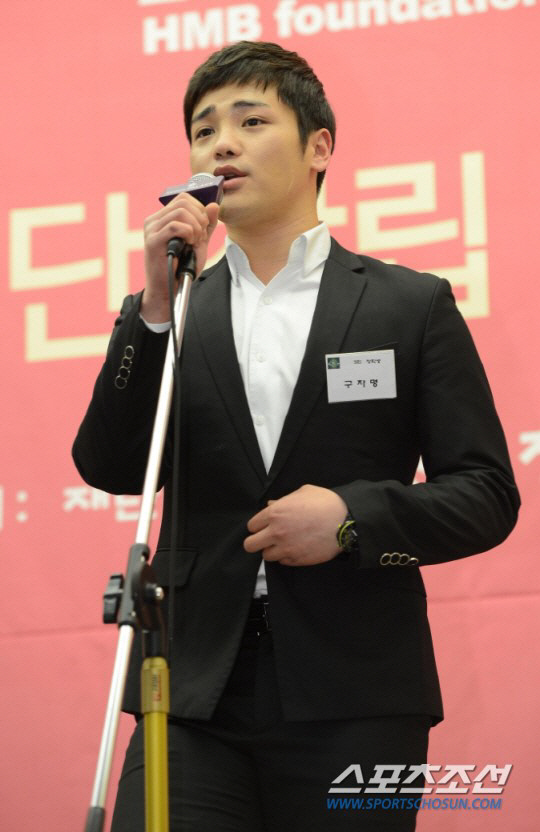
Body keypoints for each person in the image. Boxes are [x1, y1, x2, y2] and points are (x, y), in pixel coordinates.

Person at [73, 41, 520, 831]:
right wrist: (153, 306)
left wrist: (351, 518)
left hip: (359, 691)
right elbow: (110, 466)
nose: (222, 144)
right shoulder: (177, 307)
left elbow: (485, 495)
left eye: (251, 121)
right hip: (192, 689)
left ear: (318, 148)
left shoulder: (408, 305)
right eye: (204, 130)